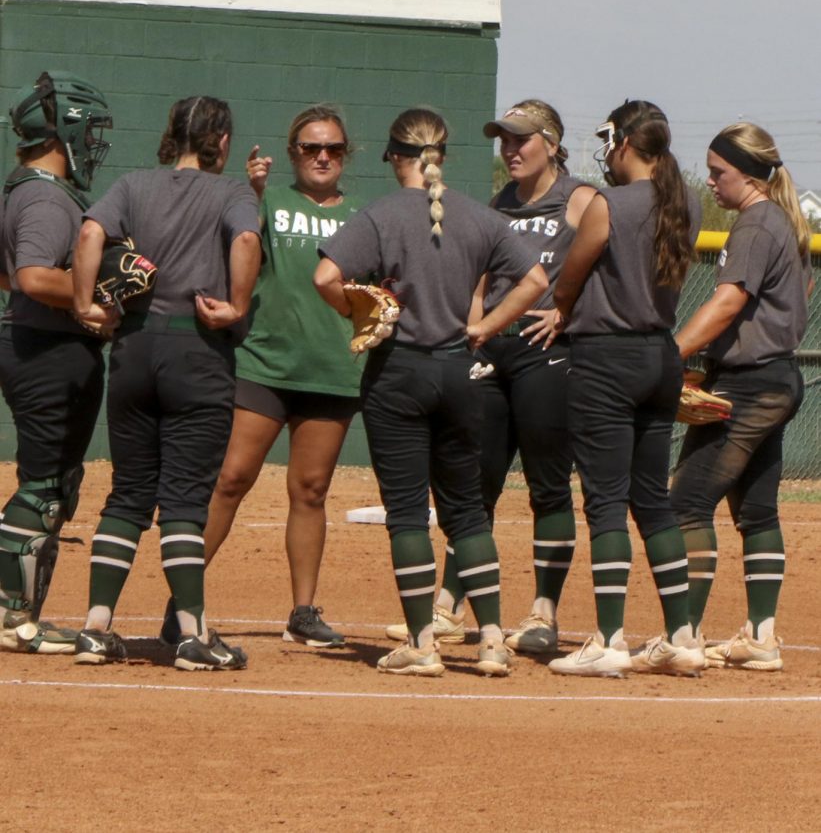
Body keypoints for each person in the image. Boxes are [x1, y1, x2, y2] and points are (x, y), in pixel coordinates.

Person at [314, 107, 547, 677]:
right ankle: (492, 642)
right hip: (462, 373)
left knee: (408, 515)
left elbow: (325, 278)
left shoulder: (380, 214)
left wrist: (361, 313)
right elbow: (538, 281)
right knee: (467, 511)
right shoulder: (479, 216)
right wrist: (486, 328)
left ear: (397, 157)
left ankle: (423, 643)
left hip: (400, 373)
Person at [384, 100, 597, 654]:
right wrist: (470, 326)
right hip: (490, 350)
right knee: (473, 482)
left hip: (545, 351)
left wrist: (567, 311)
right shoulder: (497, 204)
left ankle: (543, 613)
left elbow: (606, 270)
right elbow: (480, 276)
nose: (510, 148)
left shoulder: (579, 199)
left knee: (549, 485)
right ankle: (451, 606)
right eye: (503, 138)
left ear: (551, 142)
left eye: (521, 138)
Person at [160, 105, 361, 649]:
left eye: (334, 149)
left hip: (331, 370)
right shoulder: (266, 201)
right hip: (263, 364)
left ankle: (303, 612)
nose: (323, 157)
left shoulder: (363, 216)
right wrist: (250, 193)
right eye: (311, 147)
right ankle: (182, 603)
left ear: (347, 155)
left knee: (311, 491)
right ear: (292, 152)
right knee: (230, 480)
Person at [71, 95, 262, 670]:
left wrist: (84, 305)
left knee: (128, 492)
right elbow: (247, 242)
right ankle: (191, 635)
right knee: (183, 499)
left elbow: (88, 236)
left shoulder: (133, 184)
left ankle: (95, 628)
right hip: (194, 350)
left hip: (133, 347)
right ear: (221, 141)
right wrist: (237, 306)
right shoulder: (231, 192)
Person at [546, 99, 704, 678]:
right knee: (652, 500)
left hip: (606, 356)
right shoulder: (680, 199)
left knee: (607, 501)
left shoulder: (612, 201)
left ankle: (610, 638)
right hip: (660, 354)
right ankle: (682, 637)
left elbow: (576, 265)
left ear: (625, 142)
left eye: (608, 141)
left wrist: (560, 309)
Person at [670, 123, 813, 671]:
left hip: (747, 384)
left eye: (719, 172)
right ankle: (760, 637)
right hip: (777, 378)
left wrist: (674, 354)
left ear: (748, 174)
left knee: (685, 503)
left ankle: (683, 635)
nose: (711, 181)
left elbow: (728, 303)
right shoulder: (782, 223)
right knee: (755, 511)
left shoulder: (755, 225)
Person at [0, 70, 115, 655]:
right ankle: (7, 616)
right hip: (45, 351)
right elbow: (29, 275)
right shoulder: (45, 195)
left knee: (57, 486)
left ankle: (22, 617)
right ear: (62, 132)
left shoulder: (31, 190)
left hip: (44, 346)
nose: (93, 141)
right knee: (43, 489)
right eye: (88, 130)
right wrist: (88, 300)